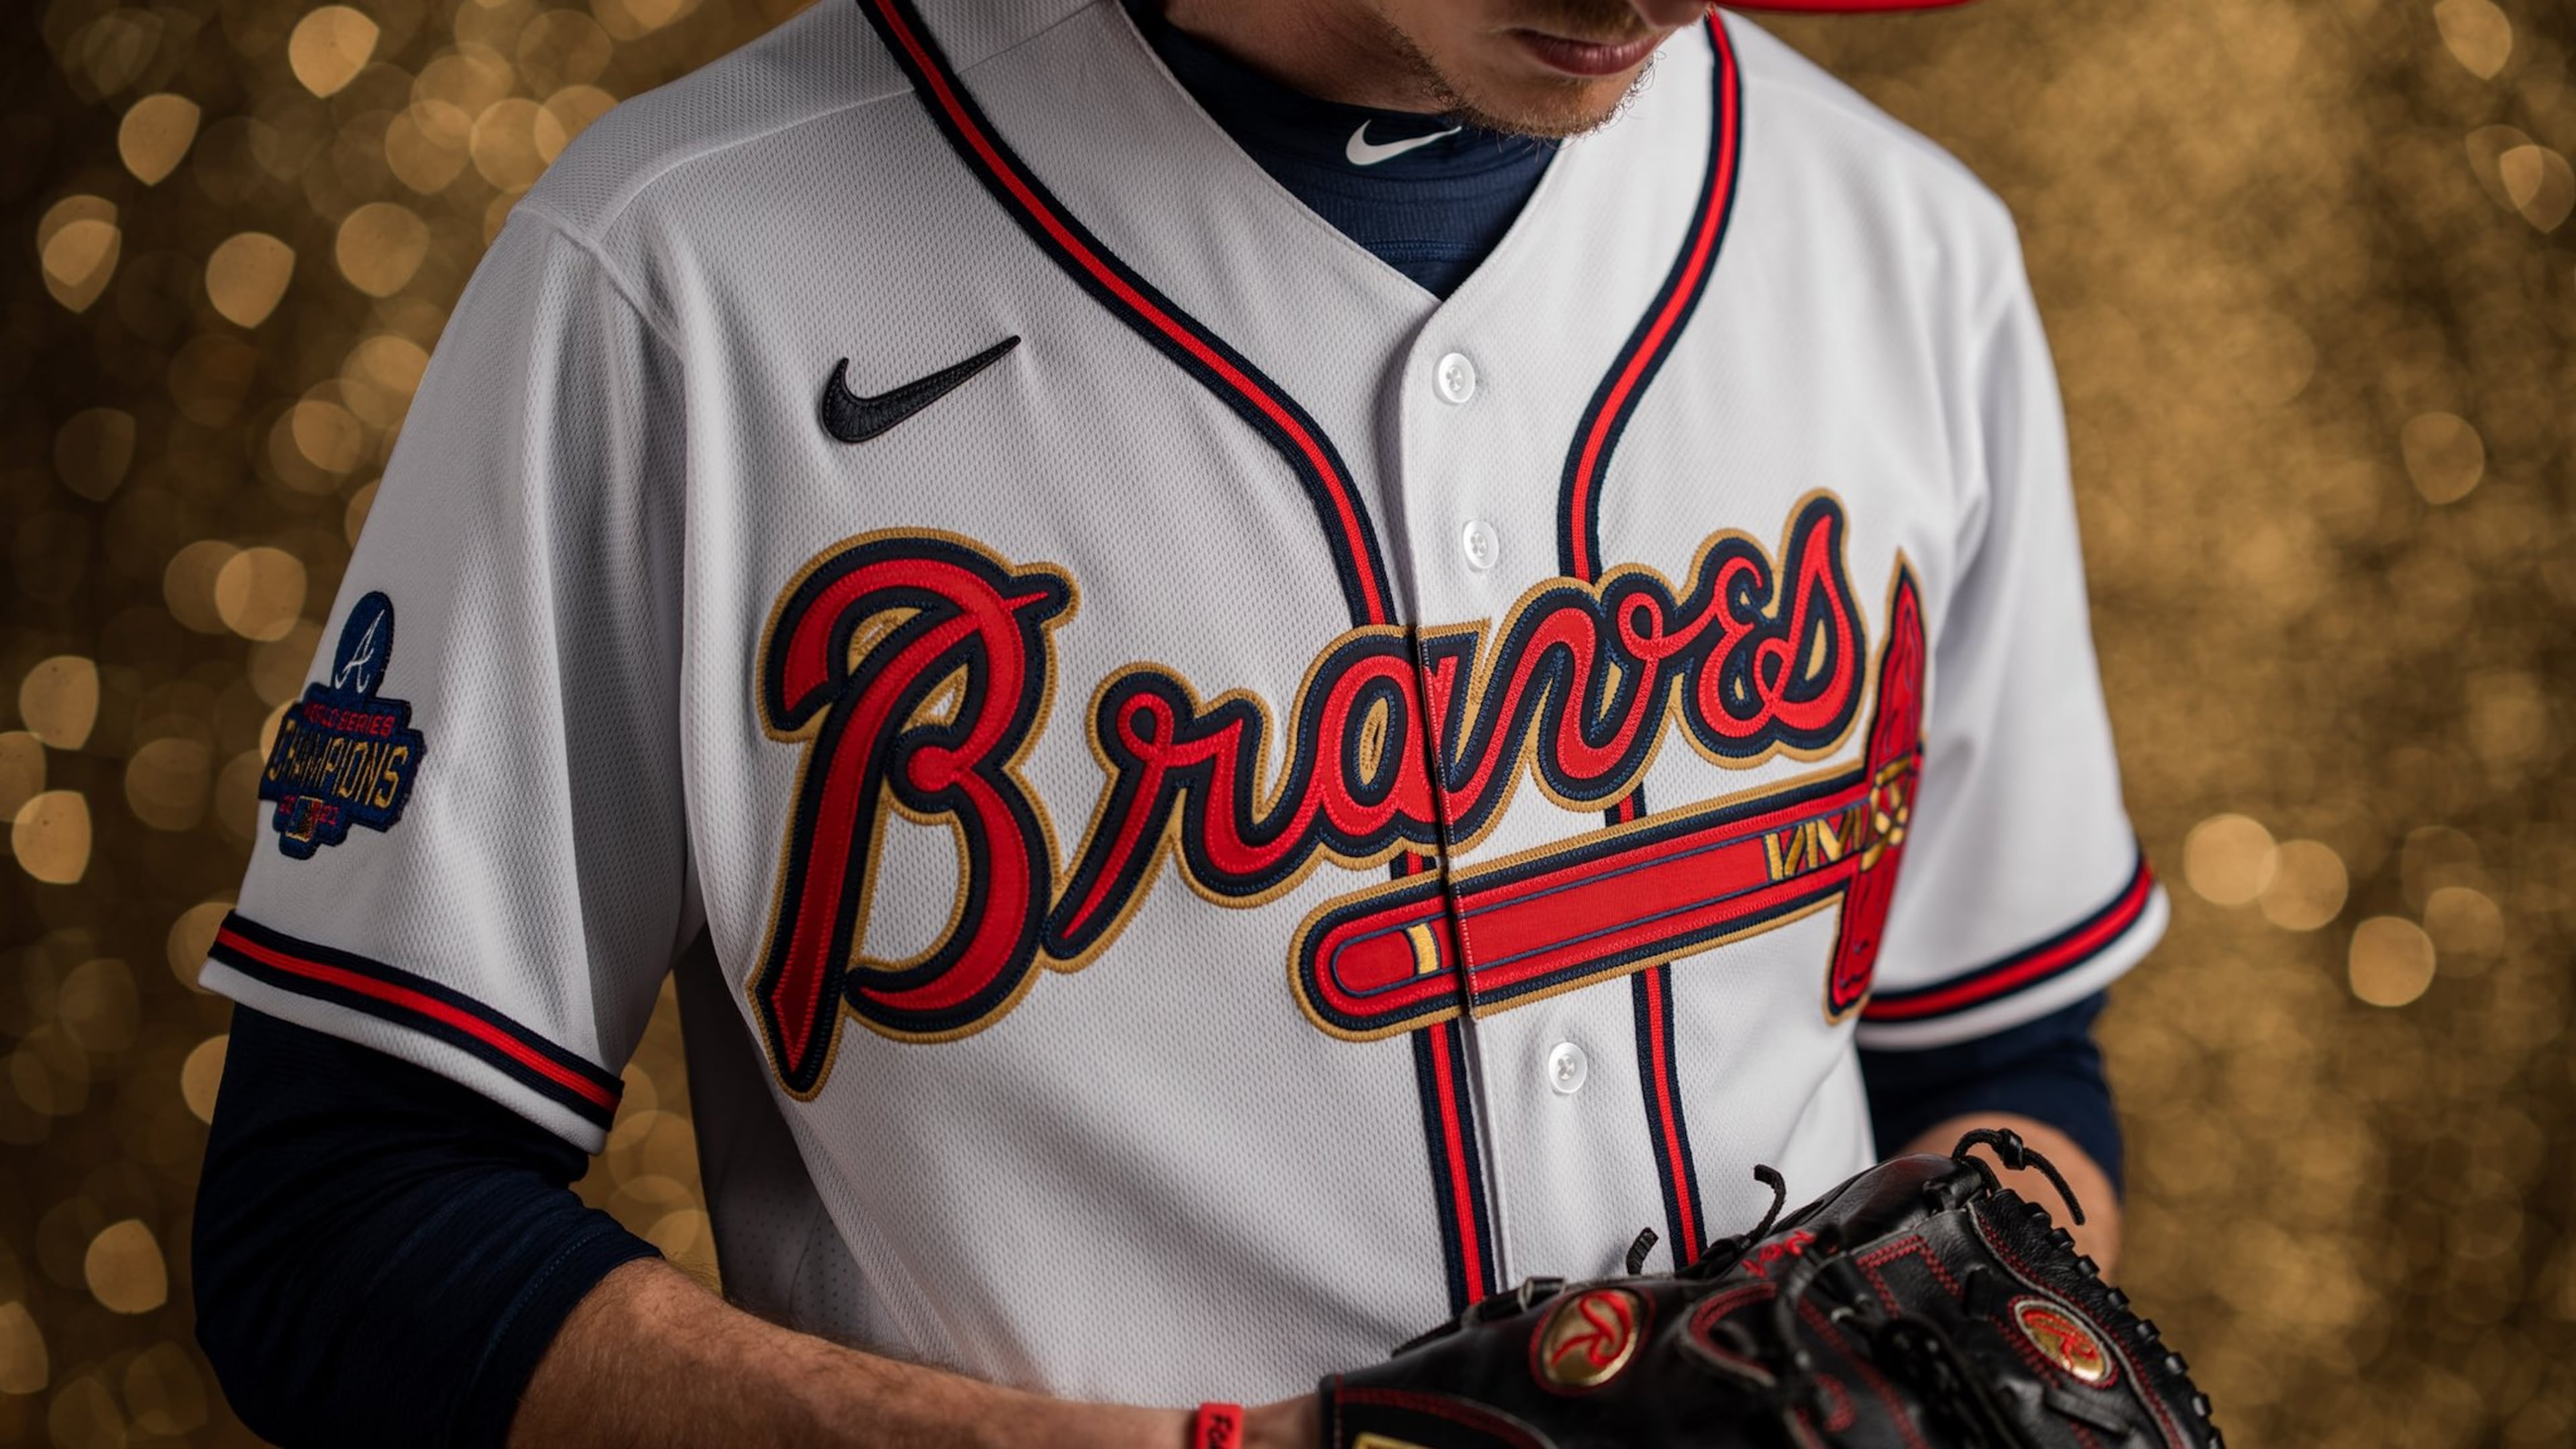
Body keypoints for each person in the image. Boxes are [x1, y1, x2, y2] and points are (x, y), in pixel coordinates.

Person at [191, 1, 2165, 1445]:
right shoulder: (684, 269)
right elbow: (340, 1226)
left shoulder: (1906, 250)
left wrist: (1986, 1327)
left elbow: (2001, 1058)